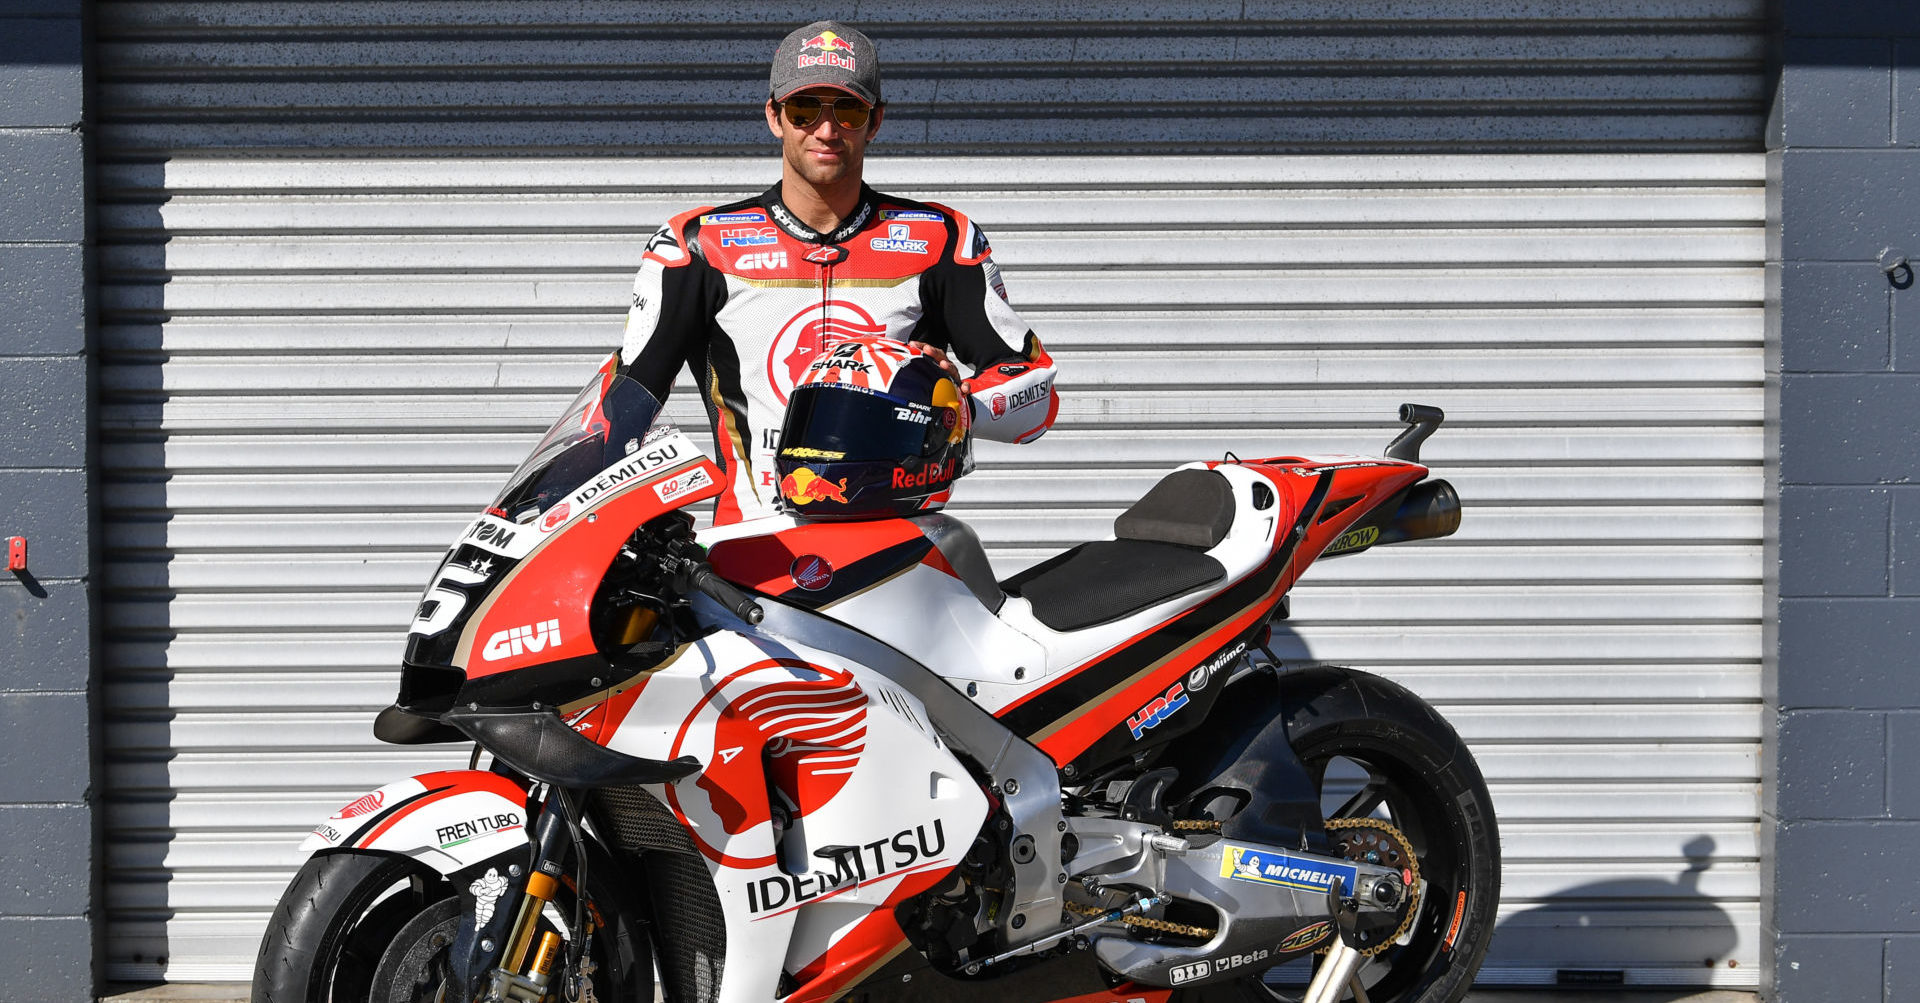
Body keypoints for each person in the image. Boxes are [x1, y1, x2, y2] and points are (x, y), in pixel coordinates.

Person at [618, 19, 1059, 525]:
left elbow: (1036, 391)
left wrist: (959, 407)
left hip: (894, 547)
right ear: (774, 116)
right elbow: (623, 407)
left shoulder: (941, 238)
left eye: (848, 110)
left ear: (875, 121)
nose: (827, 131)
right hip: (748, 548)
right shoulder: (696, 245)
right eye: (805, 109)